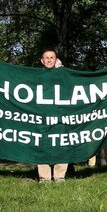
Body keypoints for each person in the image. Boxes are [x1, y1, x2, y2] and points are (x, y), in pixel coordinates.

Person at [37, 48, 68, 182]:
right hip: (42, 116)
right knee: (42, 144)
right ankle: (44, 177)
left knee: (61, 143)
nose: (49, 60)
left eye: (52, 57)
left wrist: (61, 69)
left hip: (60, 115)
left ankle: (59, 176)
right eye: (47, 57)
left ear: (56, 60)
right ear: (42, 60)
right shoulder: (35, 75)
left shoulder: (64, 74)